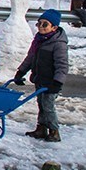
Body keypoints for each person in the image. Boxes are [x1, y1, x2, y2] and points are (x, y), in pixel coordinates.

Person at [13, 9, 68, 142]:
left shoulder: (58, 44)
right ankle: (41, 129)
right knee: (41, 105)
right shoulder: (38, 40)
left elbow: (62, 65)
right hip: (40, 79)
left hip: (51, 82)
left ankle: (54, 131)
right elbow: (30, 58)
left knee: (48, 107)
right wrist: (21, 72)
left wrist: (58, 82)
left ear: (54, 27)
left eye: (45, 24)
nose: (41, 27)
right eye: (39, 24)